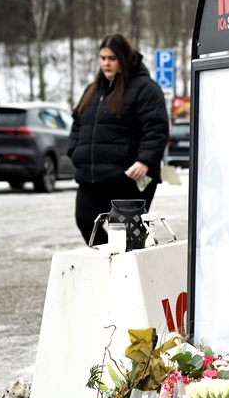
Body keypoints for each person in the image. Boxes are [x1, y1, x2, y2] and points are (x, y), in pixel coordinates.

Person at [68, 33, 169, 244]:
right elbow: (78, 122)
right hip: (93, 178)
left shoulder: (145, 89)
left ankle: (129, 271)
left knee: (127, 239)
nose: (106, 63)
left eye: (111, 58)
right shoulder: (92, 90)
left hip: (128, 179)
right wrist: (74, 150)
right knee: (87, 222)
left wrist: (144, 161)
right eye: (102, 58)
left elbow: (156, 128)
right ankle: (111, 265)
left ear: (124, 58)